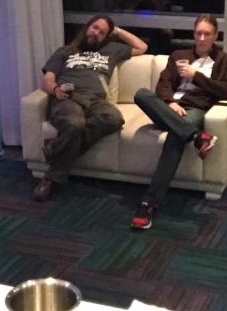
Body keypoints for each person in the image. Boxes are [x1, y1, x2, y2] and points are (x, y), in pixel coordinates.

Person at [130, 14, 227, 230]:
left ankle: (148, 204)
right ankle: (197, 137)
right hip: (169, 109)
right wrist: (169, 102)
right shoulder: (179, 55)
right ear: (194, 33)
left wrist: (196, 76)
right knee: (142, 94)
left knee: (175, 138)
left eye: (207, 34)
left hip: (194, 110)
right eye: (199, 33)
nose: (202, 38)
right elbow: (163, 83)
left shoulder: (224, 60)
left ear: (215, 35)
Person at [33, 15, 148, 201]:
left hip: (96, 101)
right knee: (74, 124)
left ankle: (55, 148)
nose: (96, 33)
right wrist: (55, 90)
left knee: (114, 118)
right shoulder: (65, 51)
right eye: (95, 27)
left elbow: (142, 47)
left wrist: (117, 31)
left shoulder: (113, 50)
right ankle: (50, 179)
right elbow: (47, 80)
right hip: (68, 97)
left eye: (102, 32)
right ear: (87, 27)